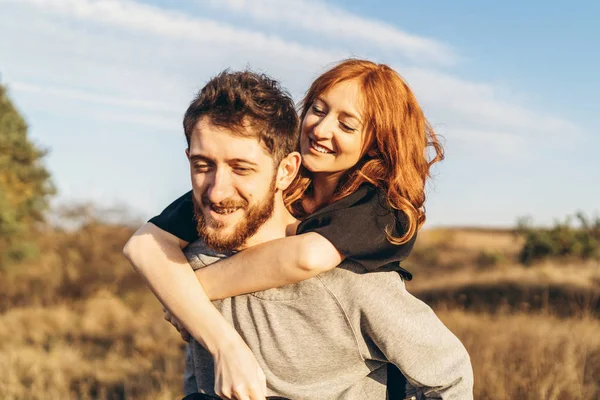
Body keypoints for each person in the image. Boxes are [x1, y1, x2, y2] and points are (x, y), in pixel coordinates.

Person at [123, 60, 455, 398]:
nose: (321, 129)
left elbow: (308, 256)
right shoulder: (243, 194)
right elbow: (145, 246)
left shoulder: (378, 213)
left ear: (377, 142)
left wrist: (186, 295)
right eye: (318, 109)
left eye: (347, 124)